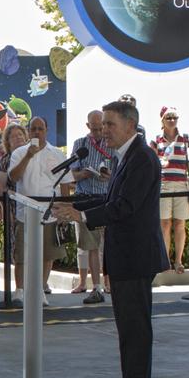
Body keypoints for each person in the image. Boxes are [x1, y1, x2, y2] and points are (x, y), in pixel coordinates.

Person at [53, 100, 168, 378]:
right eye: (103, 124)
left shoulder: (142, 158)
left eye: (110, 124)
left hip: (136, 255)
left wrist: (82, 216)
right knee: (127, 325)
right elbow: (110, 199)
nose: (104, 130)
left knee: (135, 326)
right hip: (125, 254)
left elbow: (125, 206)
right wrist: (74, 206)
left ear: (130, 125)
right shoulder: (125, 157)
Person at [7, 117, 67, 305]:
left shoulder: (57, 154)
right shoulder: (19, 153)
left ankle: (40, 288)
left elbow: (65, 182)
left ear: (46, 130)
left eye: (40, 129)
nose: (37, 132)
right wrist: (28, 156)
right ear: (28, 131)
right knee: (22, 254)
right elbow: (13, 178)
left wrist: (64, 209)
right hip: (25, 212)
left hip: (49, 212)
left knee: (48, 254)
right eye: (33, 129)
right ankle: (20, 290)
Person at [151, 106, 189, 273]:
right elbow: (150, 157)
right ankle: (165, 261)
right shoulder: (156, 139)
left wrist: (188, 163)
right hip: (164, 184)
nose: (172, 121)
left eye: (174, 118)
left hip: (181, 184)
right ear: (162, 120)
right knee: (164, 223)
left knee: (180, 223)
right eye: (168, 118)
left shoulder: (185, 138)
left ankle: (178, 261)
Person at [69, 110, 112, 304]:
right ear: (87, 126)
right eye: (94, 128)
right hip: (85, 197)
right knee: (91, 246)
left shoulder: (111, 143)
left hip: (106, 198)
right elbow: (71, 175)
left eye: (100, 127)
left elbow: (118, 172)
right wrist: (83, 174)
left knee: (109, 244)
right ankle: (96, 286)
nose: (98, 132)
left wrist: (108, 175)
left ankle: (109, 281)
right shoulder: (80, 144)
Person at [0, 123, 29, 302]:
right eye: (14, 136)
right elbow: (0, 185)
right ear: (7, 141)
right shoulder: (5, 160)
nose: (18, 138)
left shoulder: (34, 155)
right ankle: (19, 289)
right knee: (19, 251)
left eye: (21, 135)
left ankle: (39, 286)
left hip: (36, 207)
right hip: (16, 208)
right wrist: (3, 209)